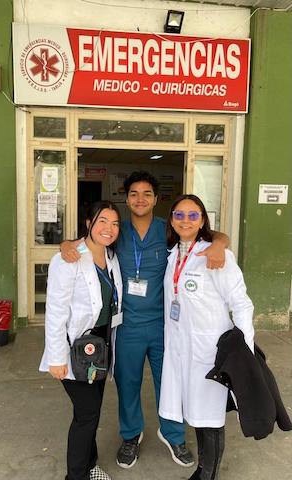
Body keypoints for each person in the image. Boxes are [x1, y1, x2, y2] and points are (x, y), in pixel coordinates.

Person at [61, 171, 229, 470]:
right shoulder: (116, 231)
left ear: (156, 198)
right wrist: (65, 245)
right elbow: (86, 242)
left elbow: (209, 235)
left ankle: (173, 433)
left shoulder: (169, 230)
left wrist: (220, 244)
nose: (140, 199)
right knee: (128, 383)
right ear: (126, 199)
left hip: (165, 325)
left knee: (171, 382)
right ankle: (131, 435)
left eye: (147, 194)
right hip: (127, 327)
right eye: (134, 194)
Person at [159, 194, 254, 480]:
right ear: (172, 220)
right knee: (197, 415)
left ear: (202, 220)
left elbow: (241, 302)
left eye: (192, 215)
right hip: (182, 349)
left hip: (209, 351)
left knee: (210, 418)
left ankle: (207, 475)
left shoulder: (216, 254)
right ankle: (203, 469)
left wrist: (245, 349)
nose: (185, 220)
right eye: (179, 215)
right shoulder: (174, 253)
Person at [39, 200, 123, 480]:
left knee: (92, 410)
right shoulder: (69, 258)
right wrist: (56, 357)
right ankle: (76, 475)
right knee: (86, 414)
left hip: (101, 345)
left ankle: (90, 465)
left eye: (114, 223)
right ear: (89, 223)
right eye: (102, 221)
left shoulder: (111, 257)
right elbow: (55, 311)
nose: (108, 228)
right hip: (74, 347)